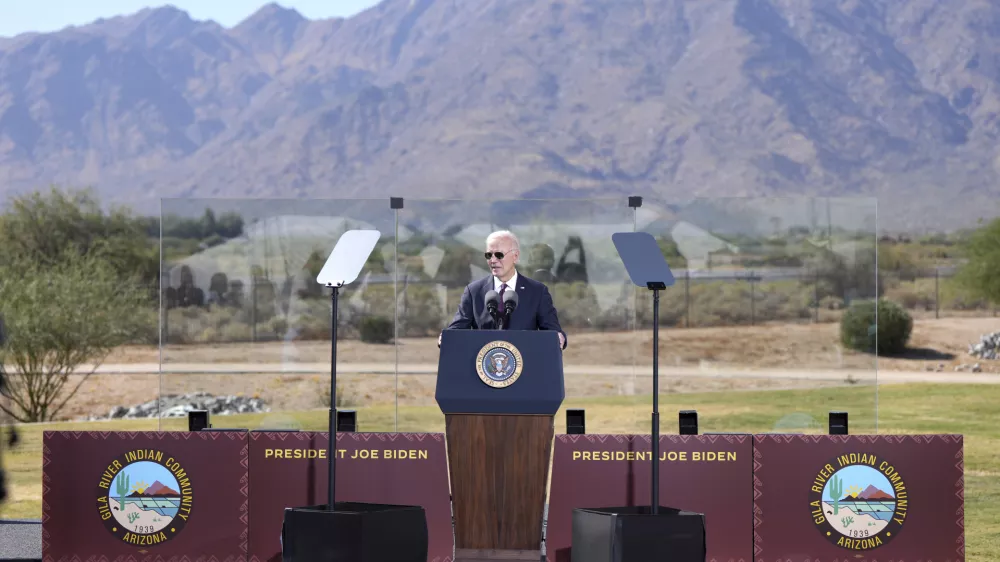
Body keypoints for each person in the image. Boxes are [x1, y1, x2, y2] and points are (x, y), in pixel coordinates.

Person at [439, 230, 567, 349]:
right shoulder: (474, 291)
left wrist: (559, 337)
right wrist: (446, 337)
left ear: (515, 256)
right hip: (483, 363)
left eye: (499, 255)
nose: (493, 260)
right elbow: (458, 328)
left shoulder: (537, 291)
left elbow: (552, 331)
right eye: (489, 255)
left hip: (525, 361)